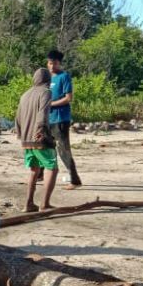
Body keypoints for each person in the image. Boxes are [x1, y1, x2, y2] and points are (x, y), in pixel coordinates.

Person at [15, 68, 58, 211]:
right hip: (39, 137)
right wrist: (41, 131)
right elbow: (43, 113)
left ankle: (28, 204)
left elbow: (18, 117)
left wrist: (21, 135)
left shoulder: (24, 95)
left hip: (26, 139)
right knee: (52, 168)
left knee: (34, 170)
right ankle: (44, 204)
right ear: (48, 80)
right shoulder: (46, 92)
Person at [47, 49, 82, 189]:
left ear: (59, 63)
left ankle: (74, 179)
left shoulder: (64, 76)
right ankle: (40, 175)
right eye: (50, 63)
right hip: (47, 118)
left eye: (54, 63)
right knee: (46, 147)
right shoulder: (47, 78)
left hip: (60, 118)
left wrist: (51, 104)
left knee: (63, 149)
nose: (52, 66)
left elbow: (68, 98)